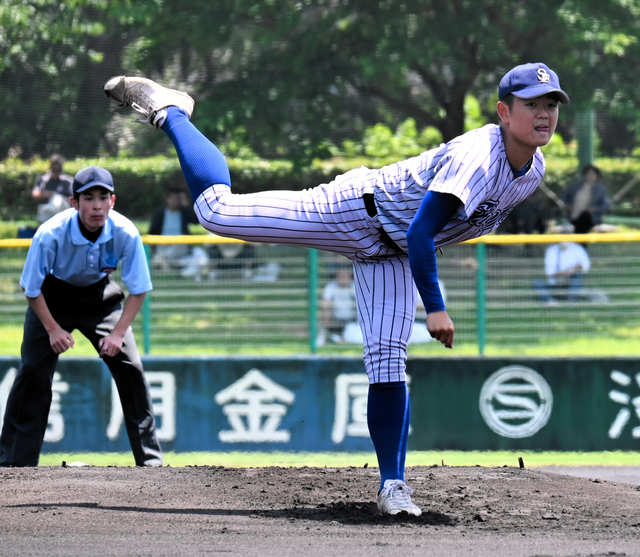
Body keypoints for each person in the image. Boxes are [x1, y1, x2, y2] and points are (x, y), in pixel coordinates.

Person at [104, 61, 569, 516]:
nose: (544, 113)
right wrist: (435, 307)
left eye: (552, 103)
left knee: (388, 359)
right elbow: (423, 232)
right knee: (216, 214)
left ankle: (393, 486)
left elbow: (426, 235)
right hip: (354, 213)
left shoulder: (532, 170)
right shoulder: (478, 157)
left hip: (394, 250)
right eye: (531, 103)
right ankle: (172, 112)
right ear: (504, 112)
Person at [0, 166, 162, 467]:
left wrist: (116, 335)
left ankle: (150, 462)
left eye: (103, 197)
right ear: (75, 203)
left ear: (113, 201)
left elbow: (139, 290)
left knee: (131, 366)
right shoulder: (50, 233)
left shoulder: (126, 232)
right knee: (33, 370)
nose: (97, 206)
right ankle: (13, 465)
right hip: (51, 298)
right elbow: (31, 288)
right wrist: (52, 330)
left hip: (100, 298)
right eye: (89, 198)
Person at [148, 188, 208, 278]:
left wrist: (186, 204)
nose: (174, 201)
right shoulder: (160, 213)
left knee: (195, 252)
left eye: (177, 198)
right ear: (167, 200)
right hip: (163, 245)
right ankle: (165, 262)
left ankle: (162, 261)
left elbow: (195, 221)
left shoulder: (183, 212)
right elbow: (152, 232)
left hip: (179, 246)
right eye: (172, 198)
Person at [562, 164, 611, 233]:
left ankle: (580, 241)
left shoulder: (600, 190)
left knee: (584, 218)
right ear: (584, 174)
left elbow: (606, 205)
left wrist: (594, 209)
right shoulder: (575, 186)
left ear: (597, 176)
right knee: (578, 223)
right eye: (588, 173)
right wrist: (567, 205)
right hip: (573, 215)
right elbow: (564, 196)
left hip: (590, 217)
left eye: (593, 173)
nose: (590, 176)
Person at [318, 264, 357, 345]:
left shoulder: (354, 287)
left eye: (346, 276)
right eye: (341, 276)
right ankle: (322, 337)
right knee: (325, 312)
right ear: (336, 277)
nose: (343, 278)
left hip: (352, 318)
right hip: (335, 318)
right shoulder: (331, 286)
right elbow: (325, 302)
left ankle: (342, 338)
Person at [32, 154, 74, 225]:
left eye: (58, 170)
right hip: (45, 209)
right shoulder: (43, 180)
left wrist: (63, 198)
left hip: (63, 210)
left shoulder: (68, 181)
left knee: (58, 199)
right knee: (50, 206)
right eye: (54, 169)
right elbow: (35, 195)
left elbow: (75, 198)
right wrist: (45, 195)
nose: (55, 171)